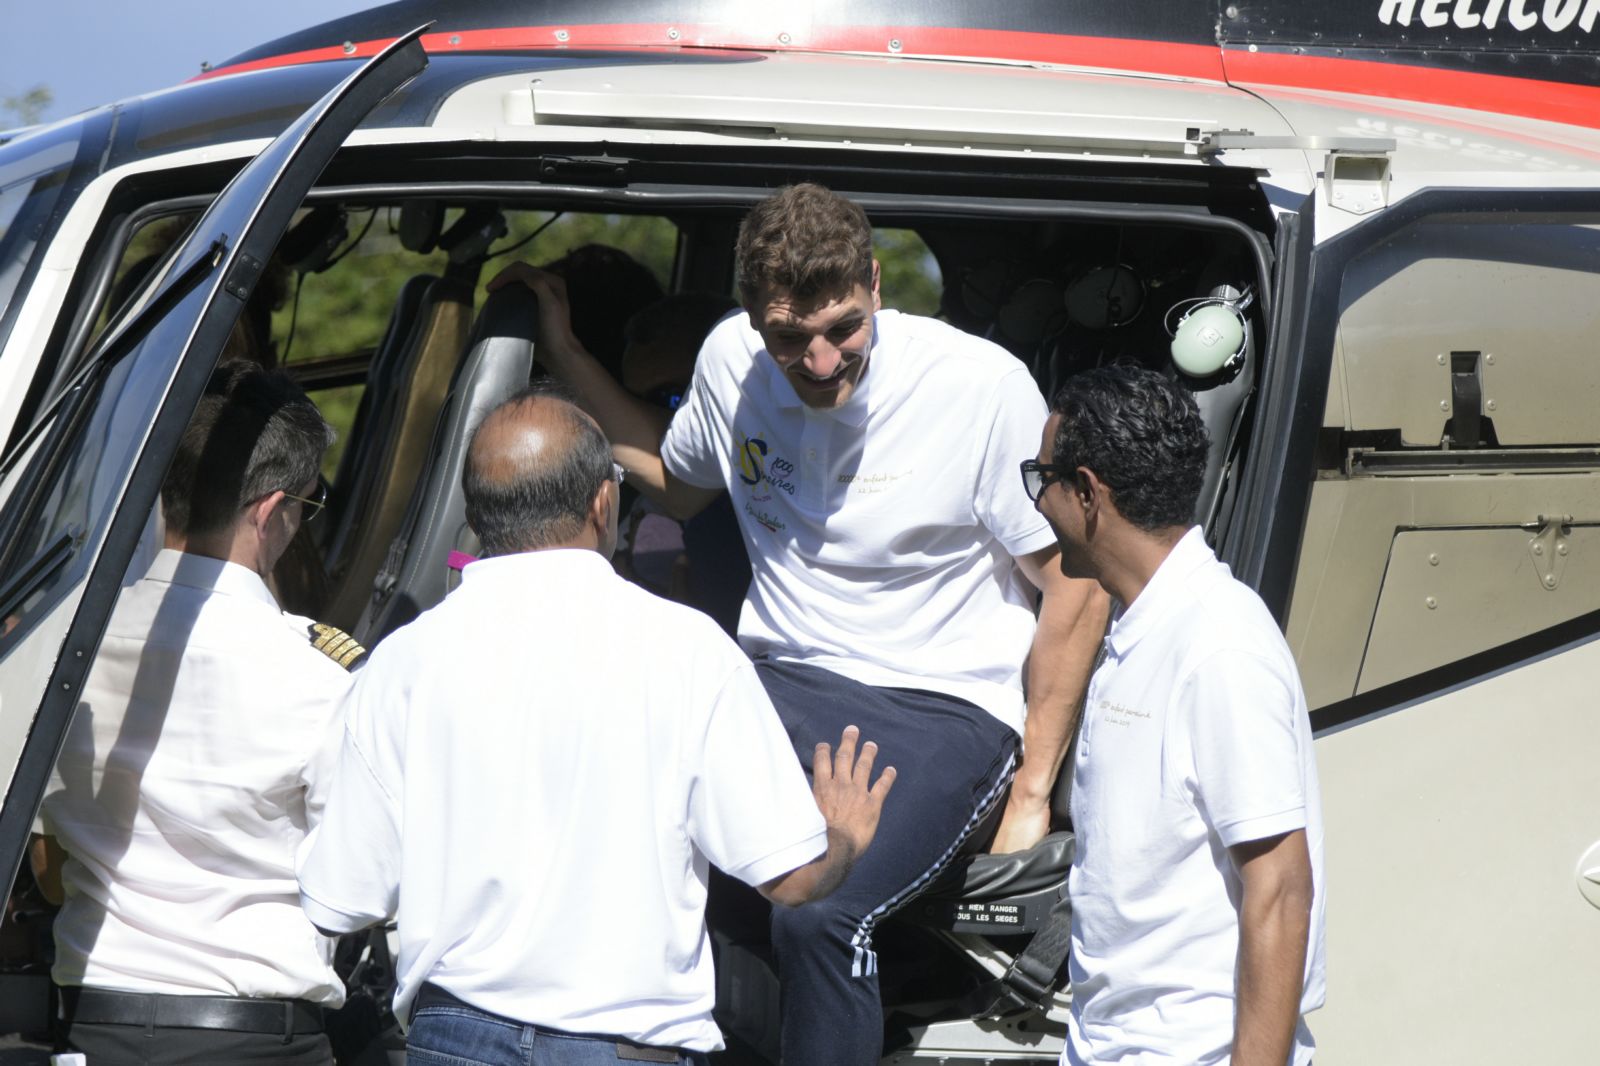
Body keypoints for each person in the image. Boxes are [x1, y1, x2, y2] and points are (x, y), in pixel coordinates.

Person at [490, 183, 1108, 1064]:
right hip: (773, 683)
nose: (820, 361)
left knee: (820, 911)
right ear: (751, 320)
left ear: (877, 286)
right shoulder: (729, 364)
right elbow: (678, 477)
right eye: (789, 337)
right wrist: (569, 358)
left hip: (938, 704)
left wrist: (1034, 796)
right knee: (612, 854)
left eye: (843, 328)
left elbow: (1076, 589)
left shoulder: (978, 387)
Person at [296, 387, 895, 1066]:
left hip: (453, 1041)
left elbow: (341, 901)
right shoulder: (688, 650)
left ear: (476, 516)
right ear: (603, 504)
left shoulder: (404, 660)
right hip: (623, 1049)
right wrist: (842, 833)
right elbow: (791, 881)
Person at [32, 360, 360, 1064]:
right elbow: (356, 885)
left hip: (91, 1027)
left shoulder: (61, 652)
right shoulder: (318, 676)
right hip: (257, 1039)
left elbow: (41, 858)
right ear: (271, 511)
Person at [1023, 364, 1325, 1066]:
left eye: (1042, 482)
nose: (1036, 505)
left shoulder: (1220, 644)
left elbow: (1280, 889)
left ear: (1089, 492)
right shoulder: (1146, 626)